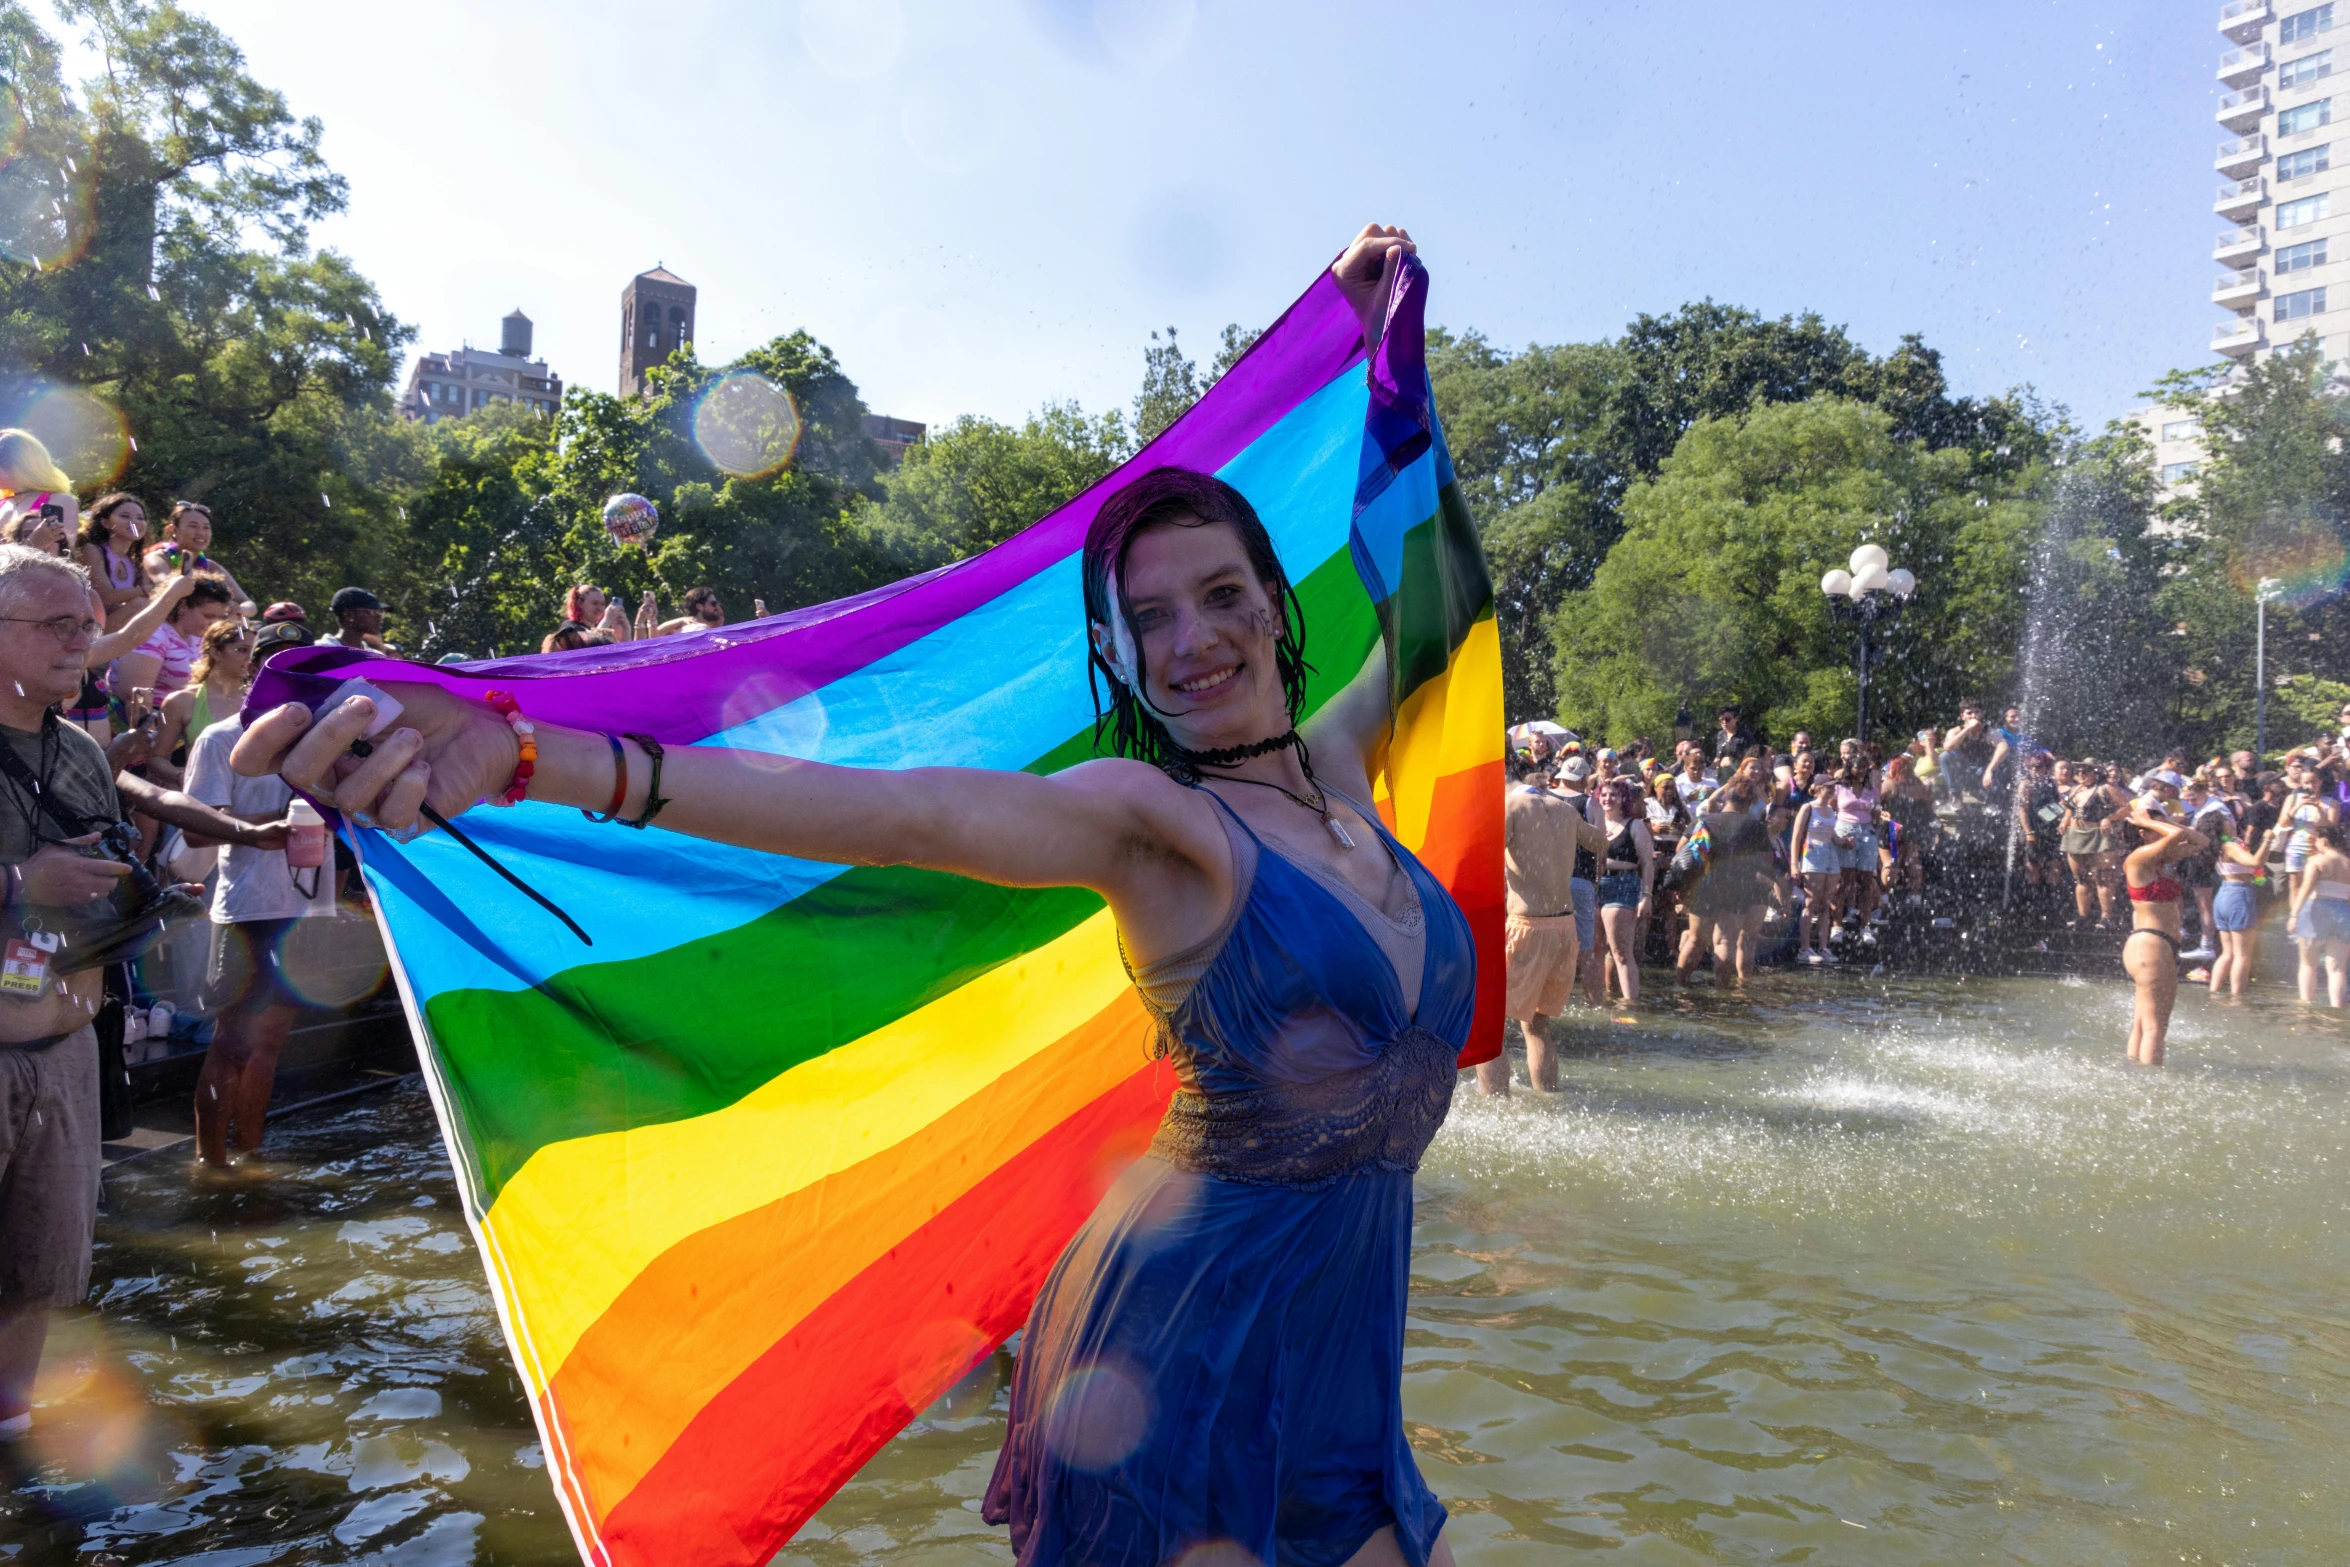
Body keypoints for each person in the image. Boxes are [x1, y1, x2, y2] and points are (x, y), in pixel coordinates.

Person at [237, 227, 1470, 1567]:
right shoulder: (1157, 820)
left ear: (1277, 603)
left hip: (1343, 1351)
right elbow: (902, 811)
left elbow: (1424, 576)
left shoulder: (1351, 772)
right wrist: (532, 749)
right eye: (1147, 617)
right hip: (1178, 1349)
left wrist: (1360, 356)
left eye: (1220, 594)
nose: (1190, 640)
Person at [0, 545, 143, 1451]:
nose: (80, 641)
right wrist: (22, 879)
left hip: (66, 1049)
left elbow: (103, 870)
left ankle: (11, 1427)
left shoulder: (82, 749)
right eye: (56, 624)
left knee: (42, 1270)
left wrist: (134, 889)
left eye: (86, 623)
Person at [184, 695, 338, 1169]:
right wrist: (262, 828)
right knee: (231, 1042)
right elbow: (194, 829)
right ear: (256, 672)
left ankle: (251, 1153)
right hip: (246, 908)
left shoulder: (332, 737)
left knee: (271, 1040)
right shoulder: (220, 736)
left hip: (308, 907)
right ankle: (209, 1165)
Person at [1478, 741, 1608, 1097]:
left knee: (1488, 1025)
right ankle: (1548, 1100)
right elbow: (1601, 842)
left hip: (1526, 927)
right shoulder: (1563, 809)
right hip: (1563, 928)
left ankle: (1495, 1109)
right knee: (1537, 1026)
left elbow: (1484, 857)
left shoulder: (1512, 806)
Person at [2117, 799, 2206, 1067]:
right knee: (2156, 1026)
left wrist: (2162, 823)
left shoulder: (2157, 860)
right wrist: (2149, 821)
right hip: (2149, 944)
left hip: (2158, 945)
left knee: (2144, 1023)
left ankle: (2134, 1074)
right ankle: (2152, 1087)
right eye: (2157, 826)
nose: (2165, 829)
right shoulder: (2138, 858)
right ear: (2142, 832)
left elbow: (2200, 842)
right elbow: (2178, 835)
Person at [1676, 773, 1780, 987]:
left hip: (1704, 886)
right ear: (1750, 801)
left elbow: (1681, 853)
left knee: (1695, 939)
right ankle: (1722, 992)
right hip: (1737, 888)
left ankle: (1680, 985)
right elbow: (1766, 861)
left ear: (1725, 796)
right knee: (1725, 941)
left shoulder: (1704, 820)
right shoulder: (1753, 826)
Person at [149, 618, 252, 787]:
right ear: (215, 653)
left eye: (253, 652)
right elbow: (157, 758)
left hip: (253, 797)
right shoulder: (181, 701)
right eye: (242, 650)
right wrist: (181, 776)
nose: (250, 659)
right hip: (205, 796)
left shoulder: (260, 700)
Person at [112, 574, 235, 701]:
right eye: (208, 616)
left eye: (219, 618)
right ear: (183, 607)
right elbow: (133, 696)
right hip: (157, 714)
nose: (214, 623)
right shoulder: (153, 636)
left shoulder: (198, 636)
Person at [1591, 777, 1653, 1008]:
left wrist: (1646, 896)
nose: (1608, 799)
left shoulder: (1634, 825)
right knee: (1595, 949)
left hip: (1623, 885)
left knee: (1621, 952)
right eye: (1604, 795)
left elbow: (1647, 863)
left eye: (1613, 795)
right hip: (1595, 886)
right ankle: (1599, 1002)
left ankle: (1629, 1005)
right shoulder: (1593, 823)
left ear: (1623, 799)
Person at [1552, 754, 1607, 1008]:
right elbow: (1601, 846)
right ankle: (1596, 1006)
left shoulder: (1544, 799)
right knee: (1585, 950)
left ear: (1561, 776)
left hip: (1547, 884)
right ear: (1585, 779)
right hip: (1580, 882)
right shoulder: (1590, 804)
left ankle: (1543, 1008)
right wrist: (1597, 878)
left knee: (1547, 948)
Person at [140, 501, 257, 616]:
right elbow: (173, 588)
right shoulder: (156, 558)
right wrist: (222, 603)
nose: (201, 533)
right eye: (193, 526)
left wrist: (239, 609)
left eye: (206, 528)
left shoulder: (211, 566)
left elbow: (249, 605)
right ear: (174, 530)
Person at [2288, 821, 2350, 1007]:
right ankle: (2337, 1009)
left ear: (2324, 841)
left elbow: (2305, 889)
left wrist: (2294, 915)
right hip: (2344, 913)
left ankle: (2306, 1007)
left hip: (2317, 911)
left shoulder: (2317, 861)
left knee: (2308, 964)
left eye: (2316, 840)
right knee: (2337, 969)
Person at [2059, 761, 2125, 927]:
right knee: (2081, 878)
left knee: (2103, 877)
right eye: (2078, 771)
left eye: (2085, 771)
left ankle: (2106, 917)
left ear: (2095, 772)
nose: (2080, 774)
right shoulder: (2075, 789)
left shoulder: (2105, 789)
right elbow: (2068, 808)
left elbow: (2127, 808)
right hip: (2075, 836)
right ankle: (2083, 916)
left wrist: (2109, 818)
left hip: (2098, 835)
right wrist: (2065, 820)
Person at [73, 493, 151, 631]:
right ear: (105, 522)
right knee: (141, 604)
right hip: (90, 629)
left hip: (117, 628)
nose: (134, 523)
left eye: (140, 518)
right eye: (125, 516)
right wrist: (145, 591)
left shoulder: (136, 560)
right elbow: (106, 597)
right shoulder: (92, 550)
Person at [2209, 818, 2265, 1000]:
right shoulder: (2230, 846)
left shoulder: (2221, 845)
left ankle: (2214, 993)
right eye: (2226, 820)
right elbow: (2256, 862)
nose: (2231, 822)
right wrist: (2269, 840)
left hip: (2224, 893)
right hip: (2238, 894)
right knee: (2242, 954)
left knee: (2228, 953)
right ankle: (2237, 999)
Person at [1790, 775, 1842, 964]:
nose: (1832, 790)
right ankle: (1804, 948)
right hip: (1812, 856)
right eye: (1829, 787)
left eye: (1833, 787)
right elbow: (1796, 837)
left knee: (1826, 904)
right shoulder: (1808, 808)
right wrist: (1794, 864)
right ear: (1819, 788)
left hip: (1830, 854)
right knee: (1810, 902)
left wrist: (1844, 842)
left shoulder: (1831, 809)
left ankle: (1824, 947)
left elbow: (1832, 834)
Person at [316, 586, 393, 651]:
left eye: (380, 612)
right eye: (372, 611)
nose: (379, 617)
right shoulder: (320, 652)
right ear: (349, 615)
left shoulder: (374, 658)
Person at [646, 585, 727, 637]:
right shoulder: (701, 629)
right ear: (700, 607)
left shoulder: (682, 628)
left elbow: (657, 634)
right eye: (713, 603)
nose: (717, 607)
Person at [564, 584, 633, 643]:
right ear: (580, 603)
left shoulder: (601, 629)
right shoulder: (570, 628)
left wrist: (626, 629)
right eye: (595, 603)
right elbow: (593, 646)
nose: (600, 608)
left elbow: (626, 655)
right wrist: (607, 619)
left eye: (602, 604)